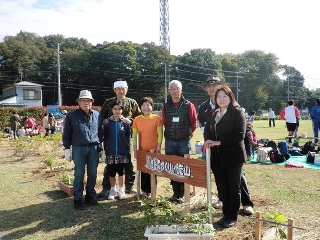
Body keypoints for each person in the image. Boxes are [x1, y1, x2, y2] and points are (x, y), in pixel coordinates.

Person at [198, 77, 254, 215]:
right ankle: (224, 203)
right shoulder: (205, 107)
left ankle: (246, 203)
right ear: (206, 89)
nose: (212, 88)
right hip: (216, 151)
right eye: (209, 86)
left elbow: (240, 131)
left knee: (237, 178)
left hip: (233, 150)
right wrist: (208, 140)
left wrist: (219, 141)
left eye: (215, 85)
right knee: (221, 179)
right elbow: (204, 126)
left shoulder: (235, 108)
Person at [203, 85, 247, 228]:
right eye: (218, 97)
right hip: (217, 156)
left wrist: (218, 142)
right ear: (215, 99)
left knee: (234, 187)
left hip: (234, 155)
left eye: (224, 96)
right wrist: (208, 140)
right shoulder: (212, 113)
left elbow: (239, 135)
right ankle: (225, 214)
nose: (221, 99)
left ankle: (232, 216)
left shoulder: (237, 112)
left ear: (230, 97)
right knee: (222, 186)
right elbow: (207, 130)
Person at [97, 80, 140, 198]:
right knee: (110, 164)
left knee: (127, 161)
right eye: (118, 89)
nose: (121, 91)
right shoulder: (109, 102)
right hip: (111, 137)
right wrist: (104, 122)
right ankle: (107, 188)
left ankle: (128, 187)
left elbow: (139, 117)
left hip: (125, 136)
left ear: (127, 89)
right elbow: (102, 116)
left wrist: (131, 121)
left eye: (123, 88)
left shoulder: (132, 102)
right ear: (114, 90)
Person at [63, 90, 103, 210]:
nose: (86, 102)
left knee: (93, 173)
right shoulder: (71, 116)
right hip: (78, 148)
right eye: (83, 100)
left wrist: (101, 148)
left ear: (92, 102)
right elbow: (67, 133)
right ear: (78, 102)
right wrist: (67, 149)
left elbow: (101, 133)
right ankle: (78, 198)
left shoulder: (97, 115)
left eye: (88, 100)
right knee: (79, 174)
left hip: (94, 148)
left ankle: (90, 196)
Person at [161, 80, 197, 203]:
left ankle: (183, 192)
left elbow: (193, 122)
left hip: (183, 141)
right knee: (171, 167)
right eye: (172, 89)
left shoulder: (188, 105)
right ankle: (175, 192)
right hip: (170, 140)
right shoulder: (165, 106)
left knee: (183, 167)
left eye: (177, 88)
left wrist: (188, 135)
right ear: (169, 91)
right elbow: (165, 122)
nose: (175, 91)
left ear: (181, 90)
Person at [132, 97, 163, 197]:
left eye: (148, 105)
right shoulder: (137, 120)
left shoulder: (157, 119)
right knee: (144, 171)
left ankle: (152, 190)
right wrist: (135, 150)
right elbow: (134, 137)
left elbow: (160, 135)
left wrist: (158, 148)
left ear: (152, 106)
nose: (146, 108)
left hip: (153, 150)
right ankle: (144, 191)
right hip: (142, 150)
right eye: (143, 105)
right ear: (140, 107)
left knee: (153, 171)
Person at [104, 100, 131, 200]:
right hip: (110, 151)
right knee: (111, 172)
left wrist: (126, 149)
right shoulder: (107, 123)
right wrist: (105, 150)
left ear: (122, 110)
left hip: (122, 152)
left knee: (121, 171)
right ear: (112, 110)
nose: (117, 111)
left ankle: (121, 189)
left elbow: (128, 137)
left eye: (119, 109)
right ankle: (112, 189)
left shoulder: (125, 123)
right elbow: (105, 137)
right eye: (115, 109)